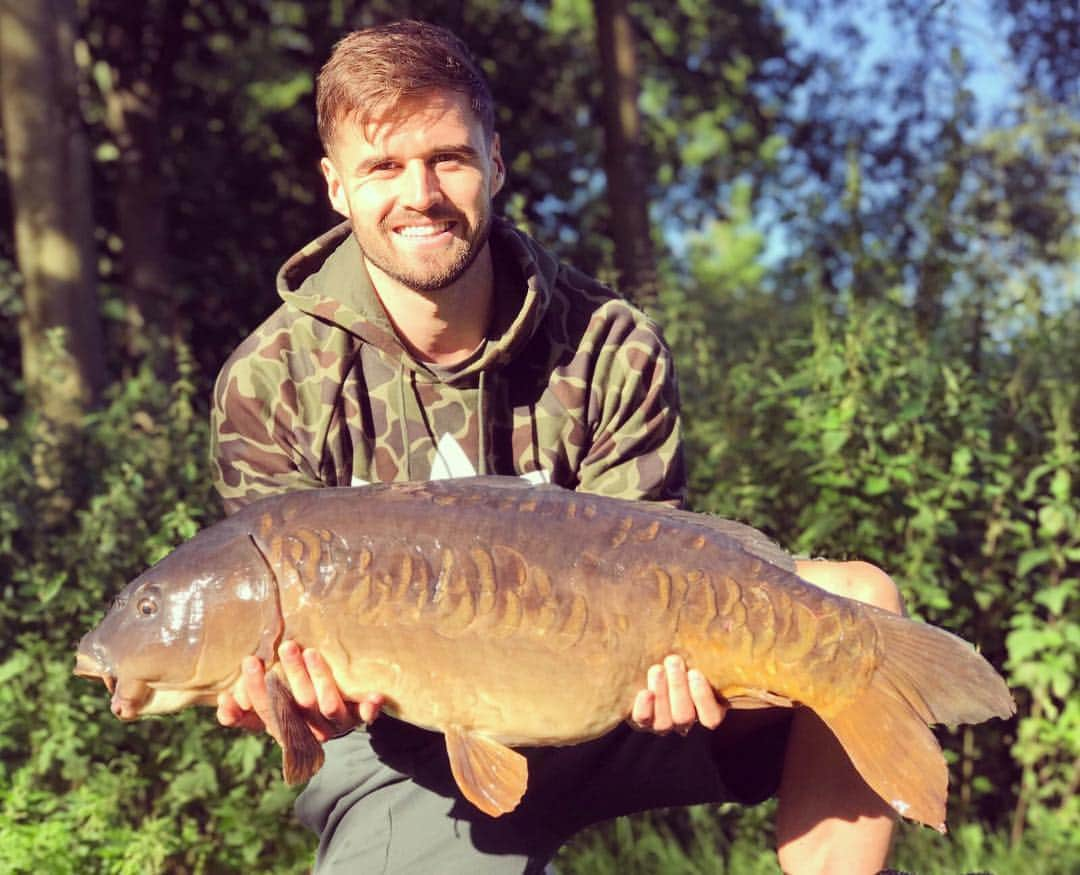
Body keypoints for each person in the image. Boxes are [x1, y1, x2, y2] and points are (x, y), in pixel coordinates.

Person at [211, 19, 900, 874]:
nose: (419, 192)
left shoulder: (609, 343)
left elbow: (657, 579)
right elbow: (283, 640)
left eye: (448, 158)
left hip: (612, 700)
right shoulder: (272, 381)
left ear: (494, 163)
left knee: (857, 609)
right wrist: (292, 698)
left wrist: (671, 664)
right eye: (383, 167)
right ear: (336, 187)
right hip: (416, 744)